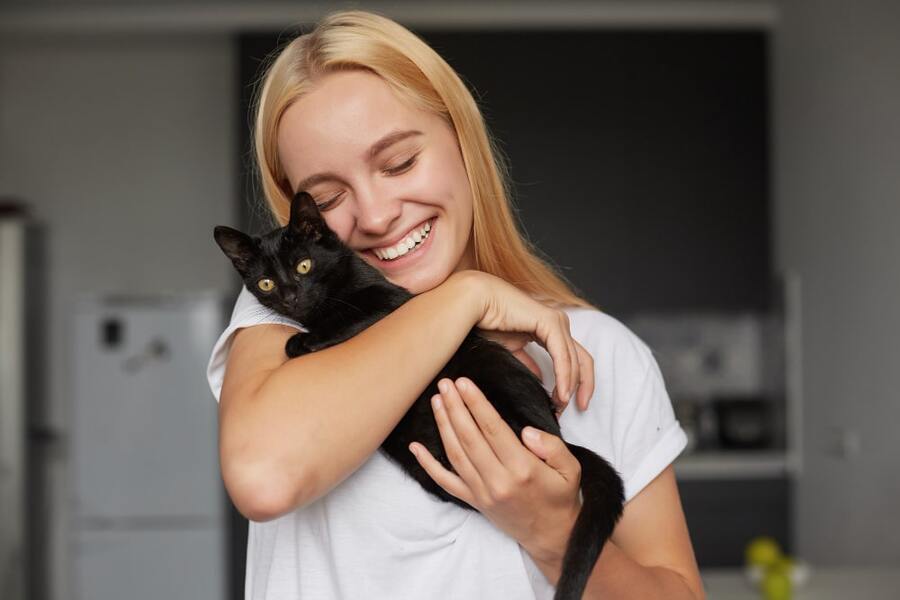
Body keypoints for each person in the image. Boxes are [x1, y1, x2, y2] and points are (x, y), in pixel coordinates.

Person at [206, 9, 704, 600]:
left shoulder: (601, 350)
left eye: (399, 163)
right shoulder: (277, 319)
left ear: (463, 144)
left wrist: (551, 532)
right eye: (331, 195)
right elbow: (264, 477)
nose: (376, 214)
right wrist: (467, 298)